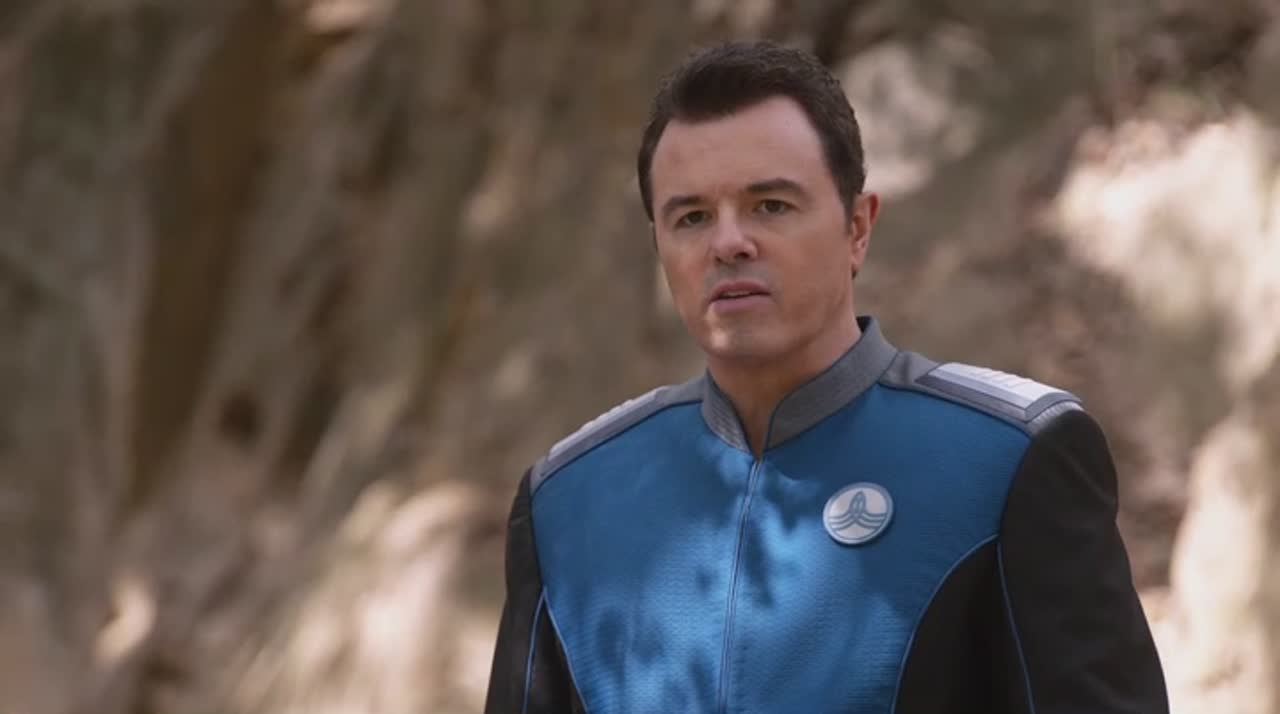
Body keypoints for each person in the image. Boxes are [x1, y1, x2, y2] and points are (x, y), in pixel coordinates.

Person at [484, 40, 1168, 714]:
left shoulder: (1008, 460)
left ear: (858, 228)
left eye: (770, 205)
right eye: (691, 217)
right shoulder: (567, 501)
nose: (728, 243)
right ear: (660, 248)